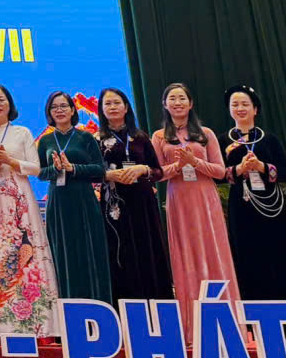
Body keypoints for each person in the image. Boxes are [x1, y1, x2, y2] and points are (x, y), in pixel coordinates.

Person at [152, 82, 240, 338]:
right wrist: (178, 167)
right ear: (165, 104)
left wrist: (195, 162)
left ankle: (228, 321)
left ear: (190, 103)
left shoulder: (206, 133)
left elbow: (220, 172)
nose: (177, 103)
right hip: (179, 201)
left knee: (214, 251)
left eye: (182, 98)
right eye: (172, 98)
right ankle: (192, 327)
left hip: (205, 199)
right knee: (186, 255)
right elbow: (157, 174)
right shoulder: (159, 136)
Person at [0, 84, 60, 338]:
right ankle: (1, 325)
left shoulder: (22, 132)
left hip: (20, 197)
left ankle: (40, 324)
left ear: (9, 103)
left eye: (1, 99)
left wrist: (10, 162)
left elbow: (36, 168)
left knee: (29, 253)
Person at [95, 87, 171, 302]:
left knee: (148, 248)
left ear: (126, 107)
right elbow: (91, 172)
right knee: (121, 251)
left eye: (117, 102)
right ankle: (125, 306)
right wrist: (109, 175)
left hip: (142, 202)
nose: (113, 107)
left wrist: (142, 169)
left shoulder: (140, 137)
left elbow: (158, 171)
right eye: (108, 103)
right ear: (101, 109)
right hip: (114, 204)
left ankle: (155, 302)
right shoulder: (96, 139)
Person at [37, 91, 111, 304]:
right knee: (63, 253)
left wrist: (73, 168)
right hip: (58, 202)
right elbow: (40, 173)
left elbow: (99, 170)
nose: (59, 110)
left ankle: (97, 304)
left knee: (89, 251)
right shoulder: (45, 141)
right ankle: (67, 306)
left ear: (72, 110)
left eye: (63, 106)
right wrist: (55, 169)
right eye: (54, 107)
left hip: (83, 199)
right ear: (49, 113)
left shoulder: (85, 137)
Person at [220, 85, 286, 301]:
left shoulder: (270, 139)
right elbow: (217, 175)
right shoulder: (224, 141)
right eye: (235, 104)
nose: (240, 108)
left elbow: (284, 170)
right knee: (246, 252)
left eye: (245, 104)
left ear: (255, 109)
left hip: (272, 206)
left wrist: (262, 167)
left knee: (276, 250)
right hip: (241, 205)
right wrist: (239, 170)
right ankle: (252, 305)